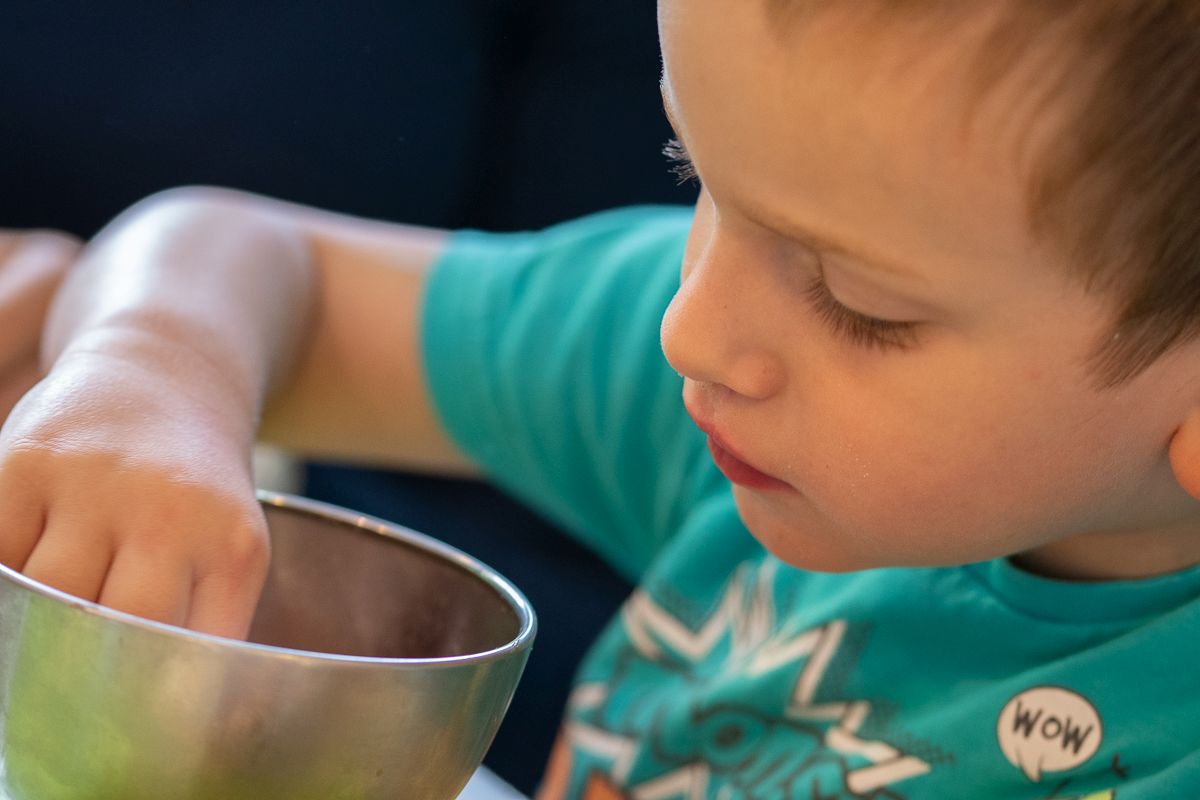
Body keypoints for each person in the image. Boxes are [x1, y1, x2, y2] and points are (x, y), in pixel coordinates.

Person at [2, 0, 1198, 797]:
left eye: (855, 299)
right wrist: (151, 375)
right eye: (698, 178)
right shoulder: (730, 378)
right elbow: (257, 261)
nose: (693, 324)